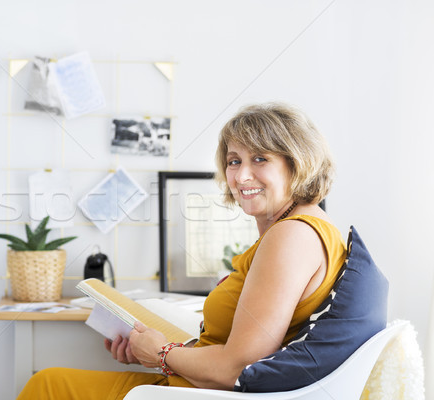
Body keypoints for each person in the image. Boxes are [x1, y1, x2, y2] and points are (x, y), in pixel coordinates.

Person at [17, 102, 346, 399]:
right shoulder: (304, 228)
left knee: (47, 384)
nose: (242, 175)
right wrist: (162, 349)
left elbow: (240, 367)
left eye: (260, 158)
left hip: (203, 395)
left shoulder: (291, 235)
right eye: (234, 161)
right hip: (197, 386)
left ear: (298, 163)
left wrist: (162, 354)